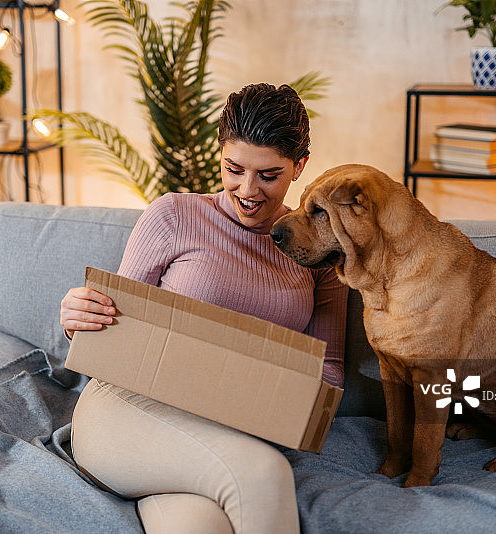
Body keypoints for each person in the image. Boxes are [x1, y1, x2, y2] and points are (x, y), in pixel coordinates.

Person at [61, 83, 348, 534]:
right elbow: (115, 330)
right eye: (233, 169)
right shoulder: (174, 215)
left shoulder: (317, 253)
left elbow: (329, 373)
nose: (248, 190)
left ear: (300, 167)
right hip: (127, 411)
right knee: (263, 474)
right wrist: (78, 318)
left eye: (268, 175)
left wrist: (254, 400)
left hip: (230, 434)